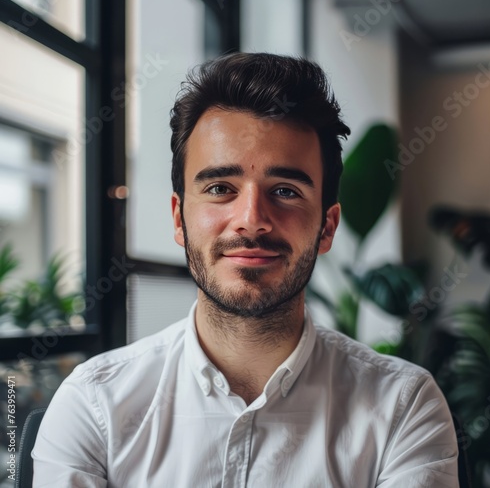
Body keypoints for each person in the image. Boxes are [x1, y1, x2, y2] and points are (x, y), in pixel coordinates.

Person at [33, 53, 459, 487]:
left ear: (326, 227)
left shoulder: (403, 406)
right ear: (179, 220)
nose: (252, 218)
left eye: (285, 191)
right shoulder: (93, 403)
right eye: (220, 188)